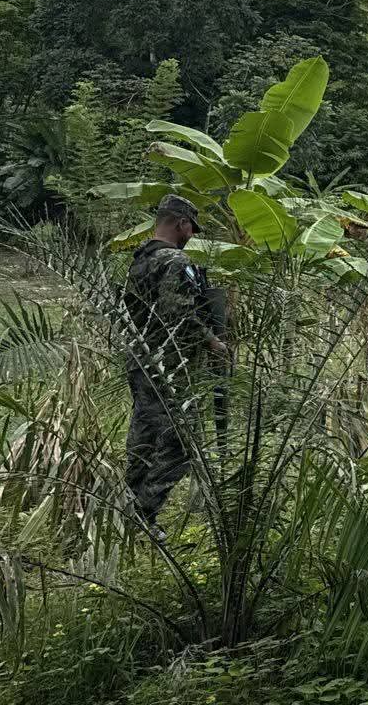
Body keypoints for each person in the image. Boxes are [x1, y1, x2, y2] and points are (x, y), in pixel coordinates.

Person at [122, 194, 227, 538]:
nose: (192, 235)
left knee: (145, 435)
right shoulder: (172, 261)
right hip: (167, 366)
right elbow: (177, 315)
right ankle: (143, 513)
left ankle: (126, 507)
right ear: (181, 223)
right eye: (191, 228)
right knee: (183, 443)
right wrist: (213, 341)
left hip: (141, 360)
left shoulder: (141, 258)